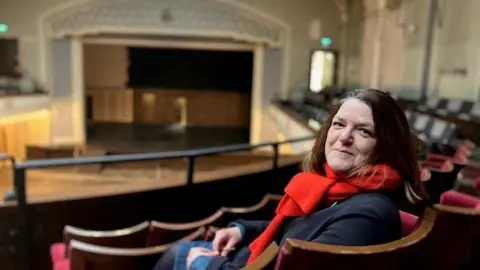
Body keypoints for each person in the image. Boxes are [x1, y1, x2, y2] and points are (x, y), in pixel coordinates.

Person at [153, 88, 428, 270]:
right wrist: (242, 230)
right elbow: (293, 231)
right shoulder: (335, 189)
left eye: (364, 132)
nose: (344, 138)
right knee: (176, 252)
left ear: (385, 147)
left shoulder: (369, 216)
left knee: (176, 255)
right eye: (339, 124)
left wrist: (206, 264)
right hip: (249, 258)